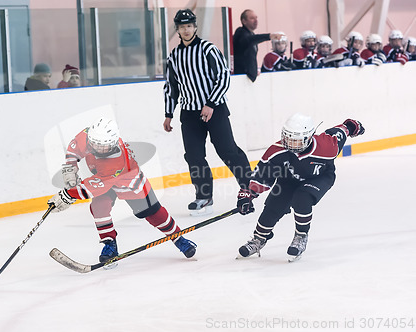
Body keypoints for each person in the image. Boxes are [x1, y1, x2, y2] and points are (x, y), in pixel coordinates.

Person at [47, 117, 197, 262]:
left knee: (153, 213)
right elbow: (75, 147)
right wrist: (70, 166)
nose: (97, 148)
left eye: (102, 146)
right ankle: (109, 244)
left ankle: (178, 238)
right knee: (99, 208)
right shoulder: (89, 136)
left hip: (129, 183)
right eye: (95, 144)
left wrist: (67, 195)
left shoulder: (116, 159)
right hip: (102, 178)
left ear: (112, 144)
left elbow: (94, 186)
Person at [236, 114, 365, 261]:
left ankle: (301, 236)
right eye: (288, 138)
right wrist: (247, 195)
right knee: (273, 205)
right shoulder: (277, 151)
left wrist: (351, 126)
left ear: (309, 138)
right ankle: (259, 239)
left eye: (296, 141)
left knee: (302, 198)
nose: (290, 143)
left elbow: (342, 130)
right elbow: (262, 176)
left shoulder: (328, 145)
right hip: (290, 180)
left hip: (320, 177)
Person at [163, 9, 252, 216]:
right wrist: (168, 114)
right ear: (177, 29)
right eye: (182, 26)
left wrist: (210, 103)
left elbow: (223, 76)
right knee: (193, 156)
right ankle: (204, 196)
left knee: (227, 150)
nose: (186, 30)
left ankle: (249, 186)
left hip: (215, 109)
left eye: (189, 26)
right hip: (189, 113)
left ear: (195, 27)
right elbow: (171, 87)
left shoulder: (208, 49)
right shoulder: (174, 56)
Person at [233, 9, 283, 82]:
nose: (256, 20)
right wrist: (269, 36)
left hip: (248, 78)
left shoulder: (251, 34)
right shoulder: (241, 32)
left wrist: (254, 69)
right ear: (244, 21)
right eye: (252, 18)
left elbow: (250, 57)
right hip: (241, 77)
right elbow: (249, 40)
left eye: (256, 18)